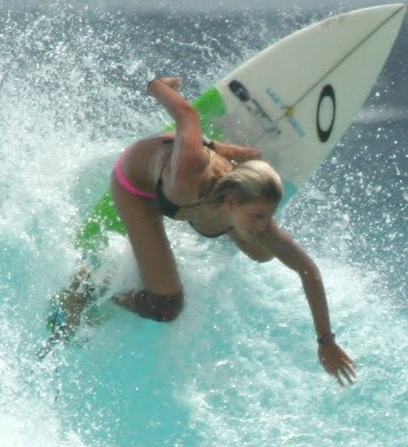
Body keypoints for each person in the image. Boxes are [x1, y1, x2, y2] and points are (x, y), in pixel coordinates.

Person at [57, 76, 356, 386]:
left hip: (206, 191)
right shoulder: (187, 174)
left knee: (263, 251)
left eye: (267, 216)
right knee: (166, 307)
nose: (264, 225)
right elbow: (186, 115)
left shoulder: (252, 217)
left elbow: (307, 269)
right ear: (229, 201)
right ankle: (91, 285)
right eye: (257, 216)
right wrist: (157, 85)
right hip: (138, 183)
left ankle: (218, 152)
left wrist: (326, 341)